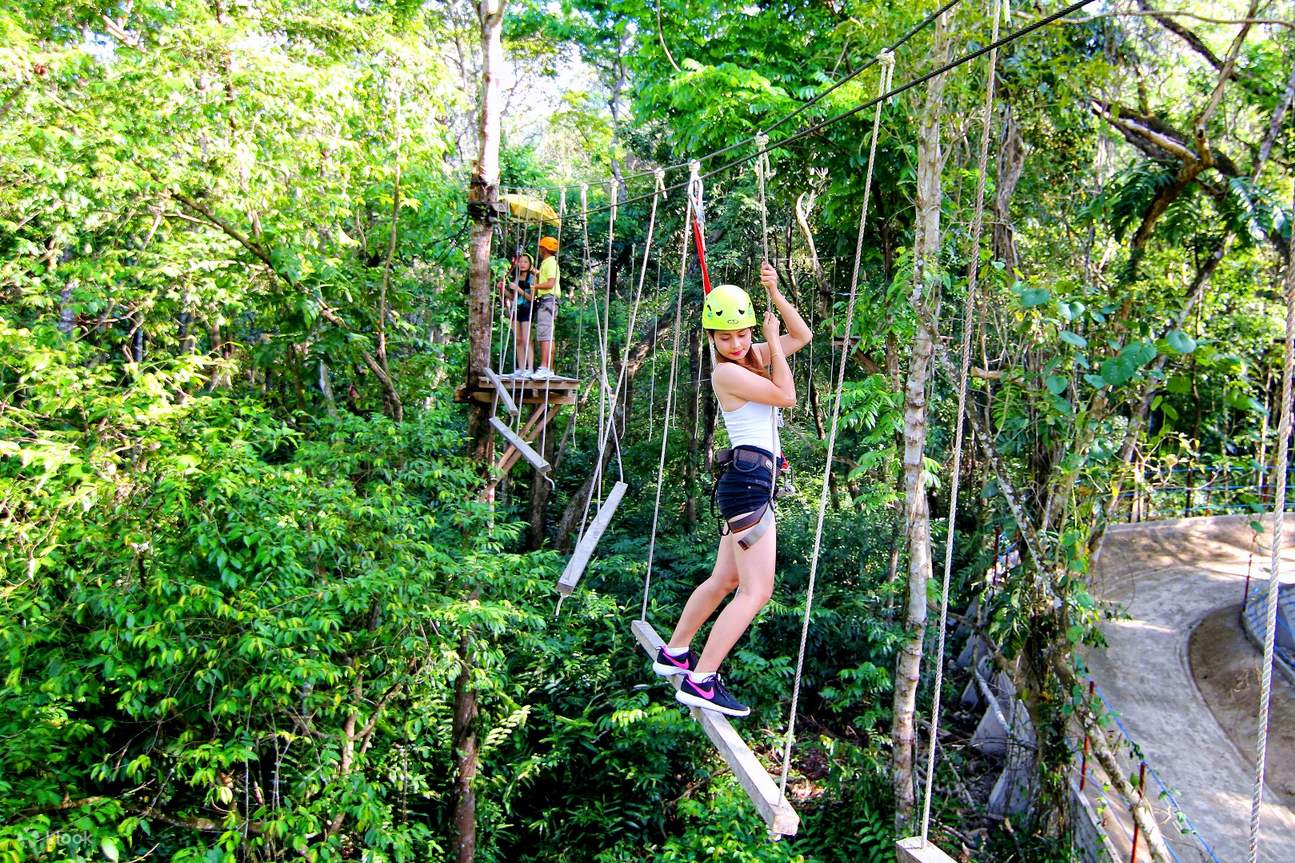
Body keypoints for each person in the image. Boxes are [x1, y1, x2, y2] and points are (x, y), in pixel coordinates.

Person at [652, 262, 811, 717]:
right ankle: (702, 679)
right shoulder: (727, 374)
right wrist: (770, 342)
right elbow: (787, 396)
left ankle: (675, 652)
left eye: (742, 334)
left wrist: (775, 296)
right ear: (712, 339)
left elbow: (801, 336)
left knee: (725, 580)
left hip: (745, 482)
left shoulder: (750, 357)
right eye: (725, 338)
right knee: (756, 592)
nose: (737, 344)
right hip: (749, 485)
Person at [497, 252, 536, 377]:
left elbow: (531, 298)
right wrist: (503, 290)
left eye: (525, 262)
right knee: (518, 340)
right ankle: (521, 368)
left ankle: (530, 368)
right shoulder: (516, 278)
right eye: (521, 262)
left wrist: (518, 289)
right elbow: (513, 297)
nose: (523, 264)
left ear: (530, 264)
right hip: (516, 309)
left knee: (526, 338)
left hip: (527, 309)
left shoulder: (532, 278)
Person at [532, 235, 561, 379]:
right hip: (549, 301)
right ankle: (549, 369)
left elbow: (550, 283)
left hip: (548, 300)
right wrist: (536, 273)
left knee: (545, 335)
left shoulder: (550, 263)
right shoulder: (548, 263)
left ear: (544, 248)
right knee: (548, 335)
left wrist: (535, 286)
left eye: (540, 247)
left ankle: (544, 367)